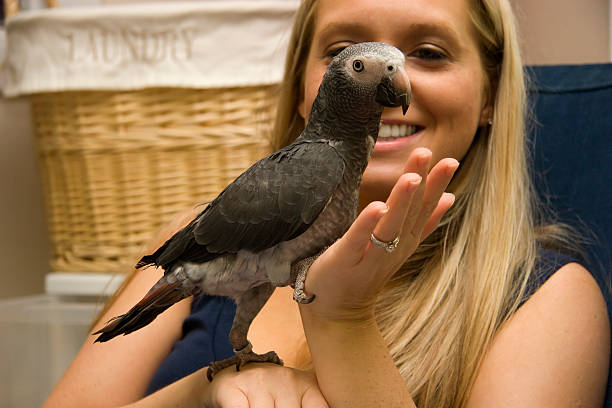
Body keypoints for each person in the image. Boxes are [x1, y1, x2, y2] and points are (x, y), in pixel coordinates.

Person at [44, 0, 610, 406]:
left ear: (491, 96)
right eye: (346, 55)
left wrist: (341, 317)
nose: (394, 80)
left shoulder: (547, 301)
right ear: (299, 90)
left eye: (430, 53)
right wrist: (200, 393)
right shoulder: (198, 226)